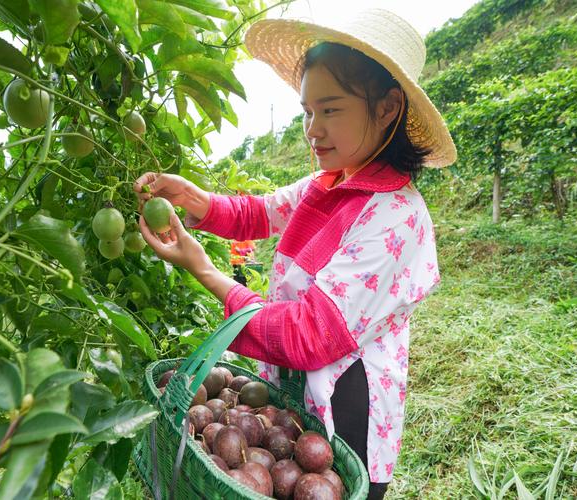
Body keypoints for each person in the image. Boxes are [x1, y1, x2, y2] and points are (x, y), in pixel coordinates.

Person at [134, 9, 456, 499]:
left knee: (335, 485)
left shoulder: (397, 216)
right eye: (308, 111)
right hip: (296, 395)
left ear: (389, 108)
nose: (313, 129)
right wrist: (195, 201)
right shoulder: (330, 183)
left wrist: (204, 269)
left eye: (331, 110)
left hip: (345, 408)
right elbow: (258, 213)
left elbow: (307, 335)